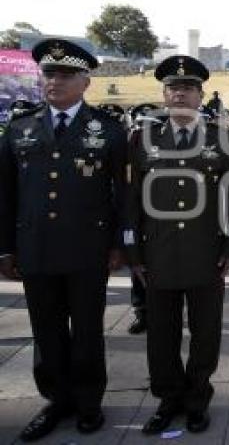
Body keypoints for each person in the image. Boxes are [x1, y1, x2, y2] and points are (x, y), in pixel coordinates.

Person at [0, 39, 127, 441]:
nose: (54, 81)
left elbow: (121, 194)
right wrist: (5, 247)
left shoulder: (107, 130)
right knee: (46, 329)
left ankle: (89, 403)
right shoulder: (19, 128)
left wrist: (119, 244)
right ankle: (56, 400)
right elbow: (5, 194)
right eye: (49, 74)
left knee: (87, 329)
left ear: (85, 82)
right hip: (35, 248)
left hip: (87, 249)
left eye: (65, 75)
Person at [125, 55, 229, 435]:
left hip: (205, 254)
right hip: (157, 253)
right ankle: (167, 398)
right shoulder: (142, 141)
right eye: (173, 88)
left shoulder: (220, 140)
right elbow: (129, 201)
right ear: (163, 94)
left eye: (188, 88)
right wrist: (132, 253)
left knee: (205, 332)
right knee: (161, 333)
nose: (180, 94)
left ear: (200, 96)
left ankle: (197, 399)